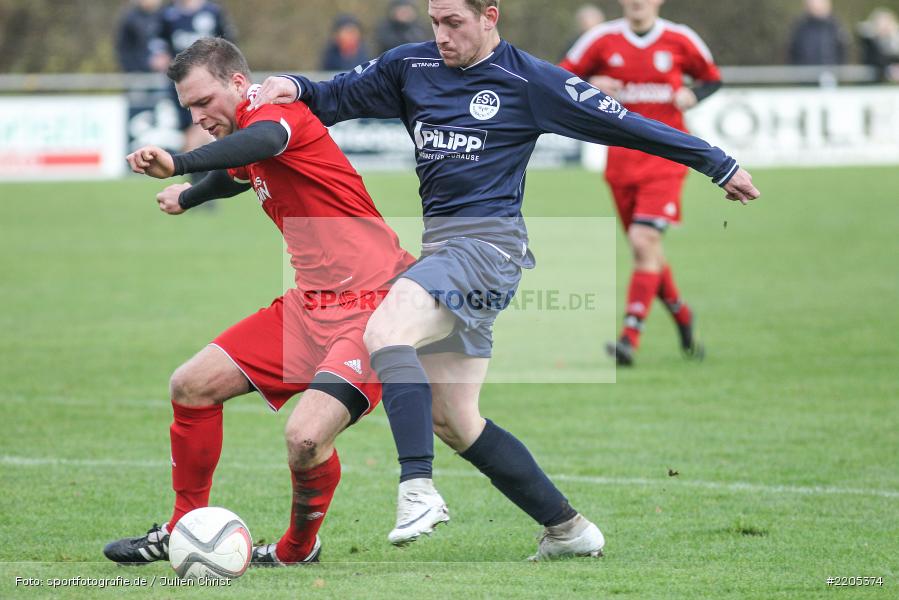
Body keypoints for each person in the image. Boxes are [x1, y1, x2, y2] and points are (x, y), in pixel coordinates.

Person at [250, 0, 759, 560]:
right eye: (435, 22)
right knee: (454, 419)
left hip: (488, 248)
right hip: (447, 252)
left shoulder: (528, 81)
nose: (441, 35)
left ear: (490, 16)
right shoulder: (409, 67)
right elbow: (336, 96)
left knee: (386, 327)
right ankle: (569, 530)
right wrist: (292, 86)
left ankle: (417, 488)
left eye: (455, 23)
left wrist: (717, 163)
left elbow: (626, 124)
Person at [102, 37, 416, 567]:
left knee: (305, 438)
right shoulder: (250, 136)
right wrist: (191, 195)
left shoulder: (276, 114)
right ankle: (181, 528)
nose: (200, 116)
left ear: (238, 83)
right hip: (307, 307)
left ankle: (297, 549)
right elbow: (239, 173)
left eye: (205, 102)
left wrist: (179, 163)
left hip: (373, 307)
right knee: (191, 386)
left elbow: (262, 142)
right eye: (189, 109)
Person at [559, 0, 723, 366]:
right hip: (621, 161)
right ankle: (682, 314)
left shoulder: (680, 39)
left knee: (643, 239)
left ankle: (629, 338)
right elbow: (556, 78)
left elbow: (713, 78)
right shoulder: (600, 39)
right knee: (645, 251)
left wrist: (693, 94)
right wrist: (590, 83)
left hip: (667, 160)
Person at [150, 0, 237, 187]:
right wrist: (159, 56)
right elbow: (157, 42)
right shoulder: (169, 14)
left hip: (208, 83)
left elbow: (228, 42)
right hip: (179, 86)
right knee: (190, 132)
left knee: (200, 128)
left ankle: (203, 182)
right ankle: (200, 181)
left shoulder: (212, 11)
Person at [788, 0, 848, 66]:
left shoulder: (835, 26)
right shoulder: (799, 26)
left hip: (829, 72)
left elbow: (843, 51)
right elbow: (792, 51)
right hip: (804, 72)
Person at [115, 0, 165, 73]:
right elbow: (123, 49)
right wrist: (134, 69)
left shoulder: (169, 16)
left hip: (168, 74)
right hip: (139, 74)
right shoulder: (130, 19)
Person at [858, 8, 899, 83]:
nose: (884, 27)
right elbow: (876, 59)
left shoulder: (894, 41)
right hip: (873, 83)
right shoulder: (870, 42)